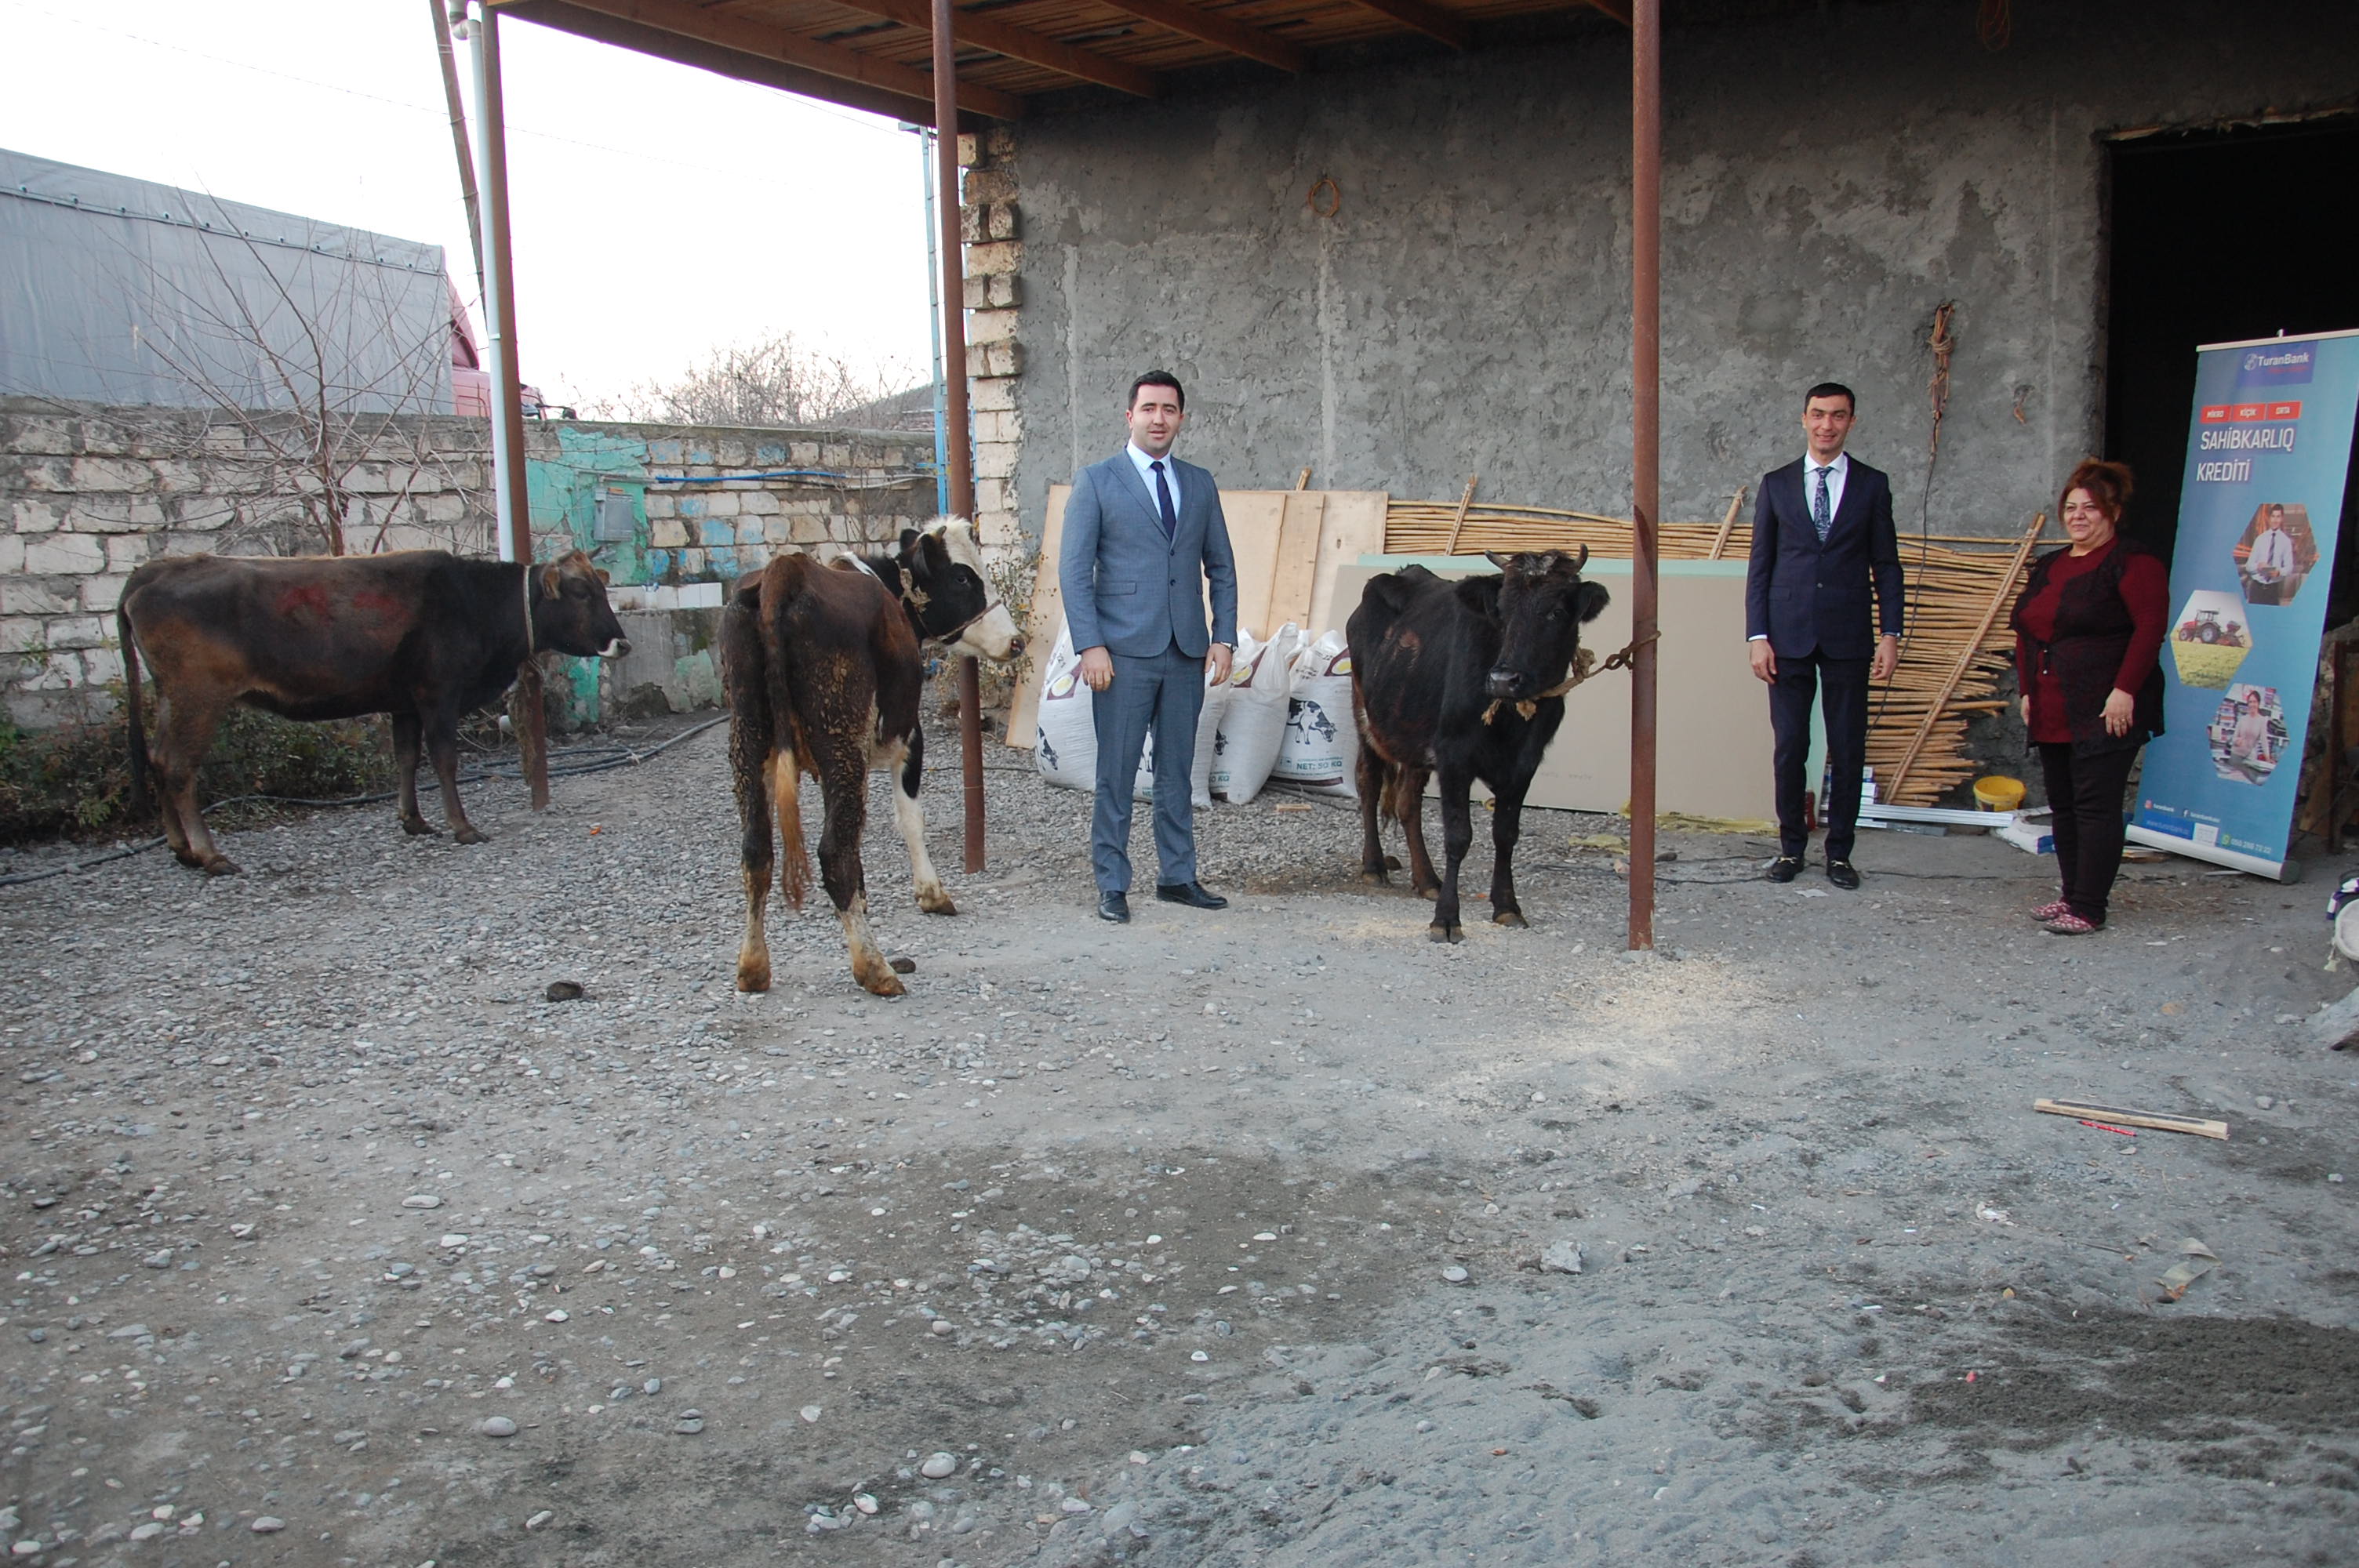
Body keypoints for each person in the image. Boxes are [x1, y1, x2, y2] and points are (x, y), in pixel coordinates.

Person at [1058, 370, 1239, 924]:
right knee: (1115, 773)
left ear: (1181, 418)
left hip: (1185, 650)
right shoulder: (1097, 481)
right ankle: (1112, 884)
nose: (1159, 419)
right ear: (1130, 416)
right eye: (1149, 409)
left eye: (1169, 409)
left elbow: (1221, 567)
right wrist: (1090, 646)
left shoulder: (1199, 483)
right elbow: (1074, 572)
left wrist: (1223, 637)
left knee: (1177, 770)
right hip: (1121, 655)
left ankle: (1177, 876)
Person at [1744, 382, 1903, 889]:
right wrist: (1757, 635)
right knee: (1791, 746)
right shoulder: (1777, 484)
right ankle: (1791, 848)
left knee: (1848, 747)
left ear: (1851, 421)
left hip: (1847, 635)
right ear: (1804, 419)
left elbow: (1886, 564)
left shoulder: (1872, 484)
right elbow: (1761, 566)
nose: (1826, 425)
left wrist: (1891, 633)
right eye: (1818, 414)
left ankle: (1840, 854)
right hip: (1785, 636)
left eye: (1837, 415)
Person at [2009, 459, 2167, 935]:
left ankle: (2089, 907)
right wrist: (2026, 690)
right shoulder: (2050, 565)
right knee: (2063, 804)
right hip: (2052, 702)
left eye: (2090, 508)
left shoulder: (2133, 563)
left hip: (2106, 704)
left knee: (2096, 805)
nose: (2078, 516)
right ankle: (2071, 893)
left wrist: (2125, 690)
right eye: (2071, 508)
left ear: (2113, 512)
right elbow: (2026, 631)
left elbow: (2149, 630)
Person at [2245, 503, 2299, 603]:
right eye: (2273, 516)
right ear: (2269, 518)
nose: (2275, 520)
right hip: (2256, 588)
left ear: (2282, 518)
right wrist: (2258, 566)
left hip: (2273, 590)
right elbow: (2248, 566)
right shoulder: (2260, 539)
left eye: (2278, 517)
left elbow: (2289, 567)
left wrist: (2279, 572)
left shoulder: (2286, 542)